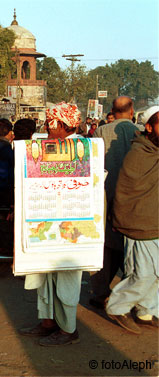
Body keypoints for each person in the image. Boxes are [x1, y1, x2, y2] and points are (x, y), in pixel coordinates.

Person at [19, 102, 84, 346]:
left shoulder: (84, 149)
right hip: (46, 221)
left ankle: (68, 330)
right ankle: (48, 323)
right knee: (45, 275)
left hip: (71, 226)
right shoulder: (49, 147)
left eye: (50, 123)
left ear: (64, 125)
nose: (46, 127)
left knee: (66, 278)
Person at [106, 106, 159, 333]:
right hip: (140, 223)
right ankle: (117, 306)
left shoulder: (154, 151)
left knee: (156, 273)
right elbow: (128, 192)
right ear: (148, 127)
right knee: (144, 273)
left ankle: (146, 311)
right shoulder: (139, 153)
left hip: (154, 221)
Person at [90, 96, 140, 309]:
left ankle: (100, 292)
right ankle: (132, 296)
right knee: (131, 247)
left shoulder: (102, 131)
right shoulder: (139, 132)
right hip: (134, 198)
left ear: (112, 111)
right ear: (132, 111)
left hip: (106, 195)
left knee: (106, 246)